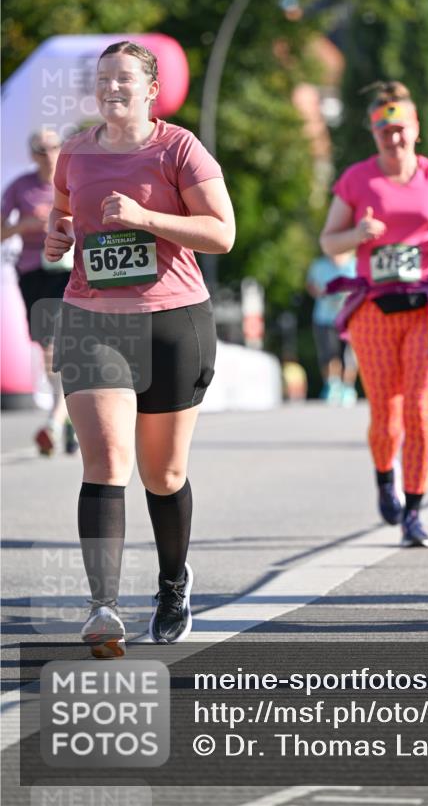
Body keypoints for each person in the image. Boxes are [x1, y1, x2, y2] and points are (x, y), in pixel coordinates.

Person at [43, 41, 235, 654]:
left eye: (124, 78)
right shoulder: (75, 151)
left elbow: (222, 234)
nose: (112, 88)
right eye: (103, 78)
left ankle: (173, 585)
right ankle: (102, 608)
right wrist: (58, 236)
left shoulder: (179, 148)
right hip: (91, 319)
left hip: (172, 322)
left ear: (151, 89)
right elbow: (64, 212)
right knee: (105, 462)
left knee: (164, 474)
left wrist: (145, 218)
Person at [320, 81, 428, 547]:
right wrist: (357, 234)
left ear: (416, 128)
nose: (393, 138)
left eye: (400, 128)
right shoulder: (357, 180)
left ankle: (413, 512)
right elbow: (329, 242)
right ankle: (384, 479)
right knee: (386, 414)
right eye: (384, 130)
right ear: (374, 133)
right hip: (375, 308)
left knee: (420, 409)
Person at [1, 129, 77, 455]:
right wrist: (26, 225)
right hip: (33, 272)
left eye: (53, 146)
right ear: (32, 154)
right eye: (41, 149)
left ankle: (55, 422)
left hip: (68, 272)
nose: (48, 154)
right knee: (47, 350)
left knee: (61, 343)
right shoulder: (20, 187)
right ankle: (67, 415)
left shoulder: (74, 181)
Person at [306, 253, 359, 405]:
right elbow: (311, 285)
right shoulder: (319, 265)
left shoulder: (355, 263)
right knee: (329, 353)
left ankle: (348, 387)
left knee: (350, 355)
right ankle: (333, 385)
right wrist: (322, 293)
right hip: (325, 318)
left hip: (349, 317)